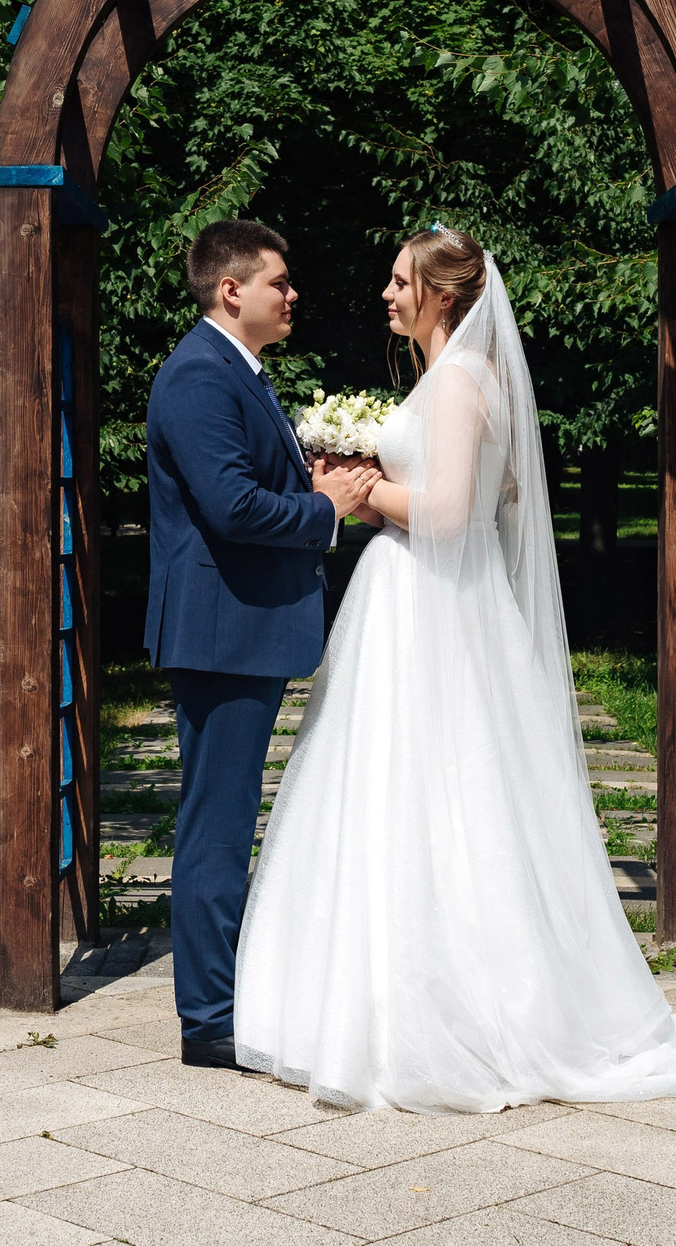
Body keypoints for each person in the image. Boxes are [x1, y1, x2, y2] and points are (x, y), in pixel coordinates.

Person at [231, 224, 676, 1112]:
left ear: (443, 295)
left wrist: (355, 491)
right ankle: (374, 1000)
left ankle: (462, 1014)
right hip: (415, 598)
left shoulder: (461, 381)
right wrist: (364, 484)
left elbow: (446, 515)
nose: (388, 294)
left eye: (401, 281)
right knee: (398, 789)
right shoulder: (447, 376)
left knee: (448, 792)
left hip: (433, 602)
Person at [145, 220, 378, 1071]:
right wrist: (327, 510)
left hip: (238, 630)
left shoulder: (235, 369)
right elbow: (233, 506)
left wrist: (314, 486)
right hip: (222, 633)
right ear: (230, 289)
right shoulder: (200, 374)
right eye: (279, 280)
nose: (292, 293)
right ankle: (209, 1018)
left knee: (225, 815)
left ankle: (226, 998)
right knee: (217, 823)